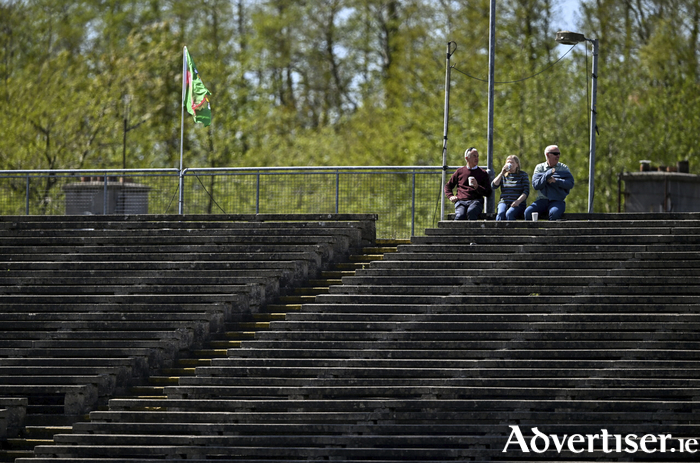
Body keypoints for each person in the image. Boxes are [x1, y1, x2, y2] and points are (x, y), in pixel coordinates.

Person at [524, 145, 574, 221]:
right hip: (542, 200)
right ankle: (534, 232)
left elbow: (570, 184)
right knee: (528, 212)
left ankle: (551, 233)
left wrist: (556, 181)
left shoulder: (564, 168)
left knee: (554, 213)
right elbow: (536, 185)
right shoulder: (539, 168)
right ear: (547, 155)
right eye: (555, 153)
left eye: (559, 154)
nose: (558, 156)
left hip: (557, 201)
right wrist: (547, 175)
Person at [444, 147, 492, 220]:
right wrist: (451, 196)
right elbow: (448, 186)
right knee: (460, 215)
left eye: (477, 156)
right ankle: (456, 232)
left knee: (471, 212)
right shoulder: (460, 171)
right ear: (467, 158)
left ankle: (472, 231)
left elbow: (488, 192)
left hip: (476, 201)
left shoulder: (482, 173)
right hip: (461, 201)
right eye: (474, 156)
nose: (476, 158)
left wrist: (477, 186)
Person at [491, 154, 529, 221]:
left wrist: (518, 201)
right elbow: (494, 185)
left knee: (509, 213)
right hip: (504, 201)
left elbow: (526, 191)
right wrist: (501, 173)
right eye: (508, 162)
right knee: (501, 213)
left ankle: (511, 231)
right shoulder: (504, 176)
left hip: (518, 203)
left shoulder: (523, 175)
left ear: (517, 164)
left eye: (512, 162)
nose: (510, 164)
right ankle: (498, 231)